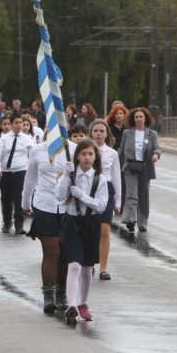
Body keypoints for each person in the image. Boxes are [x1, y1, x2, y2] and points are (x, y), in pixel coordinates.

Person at [56, 139, 108, 324]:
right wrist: (66, 176)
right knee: (74, 265)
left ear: (95, 157)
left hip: (91, 223)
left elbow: (101, 205)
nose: (87, 157)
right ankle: (72, 305)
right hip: (72, 223)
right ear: (77, 155)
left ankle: (83, 304)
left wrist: (82, 196)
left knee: (87, 268)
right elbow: (60, 196)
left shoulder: (99, 178)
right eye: (83, 154)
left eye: (90, 154)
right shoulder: (71, 175)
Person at [23, 138, 78, 314]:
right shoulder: (38, 150)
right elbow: (30, 177)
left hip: (67, 205)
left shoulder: (74, 149)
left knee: (64, 252)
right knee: (51, 250)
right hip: (44, 203)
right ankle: (49, 295)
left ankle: (62, 292)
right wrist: (26, 202)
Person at [118, 107, 162, 233]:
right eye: (136, 117)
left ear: (145, 118)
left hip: (145, 167)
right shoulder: (127, 133)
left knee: (143, 196)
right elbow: (121, 150)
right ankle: (130, 220)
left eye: (141, 117)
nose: (138, 119)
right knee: (131, 194)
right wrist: (118, 167)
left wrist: (156, 155)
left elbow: (157, 148)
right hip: (130, 167)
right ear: (133, 119)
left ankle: (142, 223)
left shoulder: (151, 134)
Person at [0, 114, 35, 235]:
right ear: (11, 124)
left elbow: (32, 155)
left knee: (18, 197)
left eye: (21, 122)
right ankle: (6, 222)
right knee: (5, 198)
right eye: (16, 123)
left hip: (21, 171)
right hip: (5, 172)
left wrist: (33, 171)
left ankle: (19, 225)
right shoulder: (4, 138)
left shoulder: (27, 139)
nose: (19, 125)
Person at [89, 119, 121, 281]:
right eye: (96, 131)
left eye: (102, 131)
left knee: (104, 229)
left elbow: (116, 178)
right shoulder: (84, 151)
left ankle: (103, 268)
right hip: (88, 189)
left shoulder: (112, 153)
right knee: (89, 228)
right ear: (91, 133)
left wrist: (118, 201)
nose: (99, 134)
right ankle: (89, 264)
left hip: (106, 189)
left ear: (107, 133)